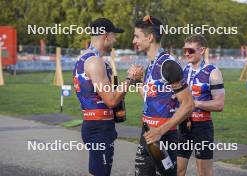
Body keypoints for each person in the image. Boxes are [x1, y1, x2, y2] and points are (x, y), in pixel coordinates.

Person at [72, 18, 143, 176]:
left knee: (96, 171)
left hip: (95, 123)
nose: (116, 39)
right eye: (114, 35)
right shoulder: (95, 62)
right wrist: (131, 79)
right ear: (105, 35)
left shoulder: (87, 59)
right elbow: (111, 100)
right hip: (99, 126)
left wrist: (126, 82)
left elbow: (112, 92)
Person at [132, 15, 194, 176]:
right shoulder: (151, 64)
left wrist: (160, 131)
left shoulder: (168, 65)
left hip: (165, 136)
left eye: (137, 36)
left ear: (150, 37)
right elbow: (150, 98)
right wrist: (137, 81)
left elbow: (188, 104)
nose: (134, 41)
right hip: (147, 133)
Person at [177, 34, 225, 176]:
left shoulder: (213, 72)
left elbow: (219, 104)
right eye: (185, 50)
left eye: (190, 50)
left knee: (204, 173)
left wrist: (194, 103)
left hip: (202, 127)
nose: (186, 53)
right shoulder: (183, 71)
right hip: (183, 126)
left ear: (202, 50)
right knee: (177, 170)